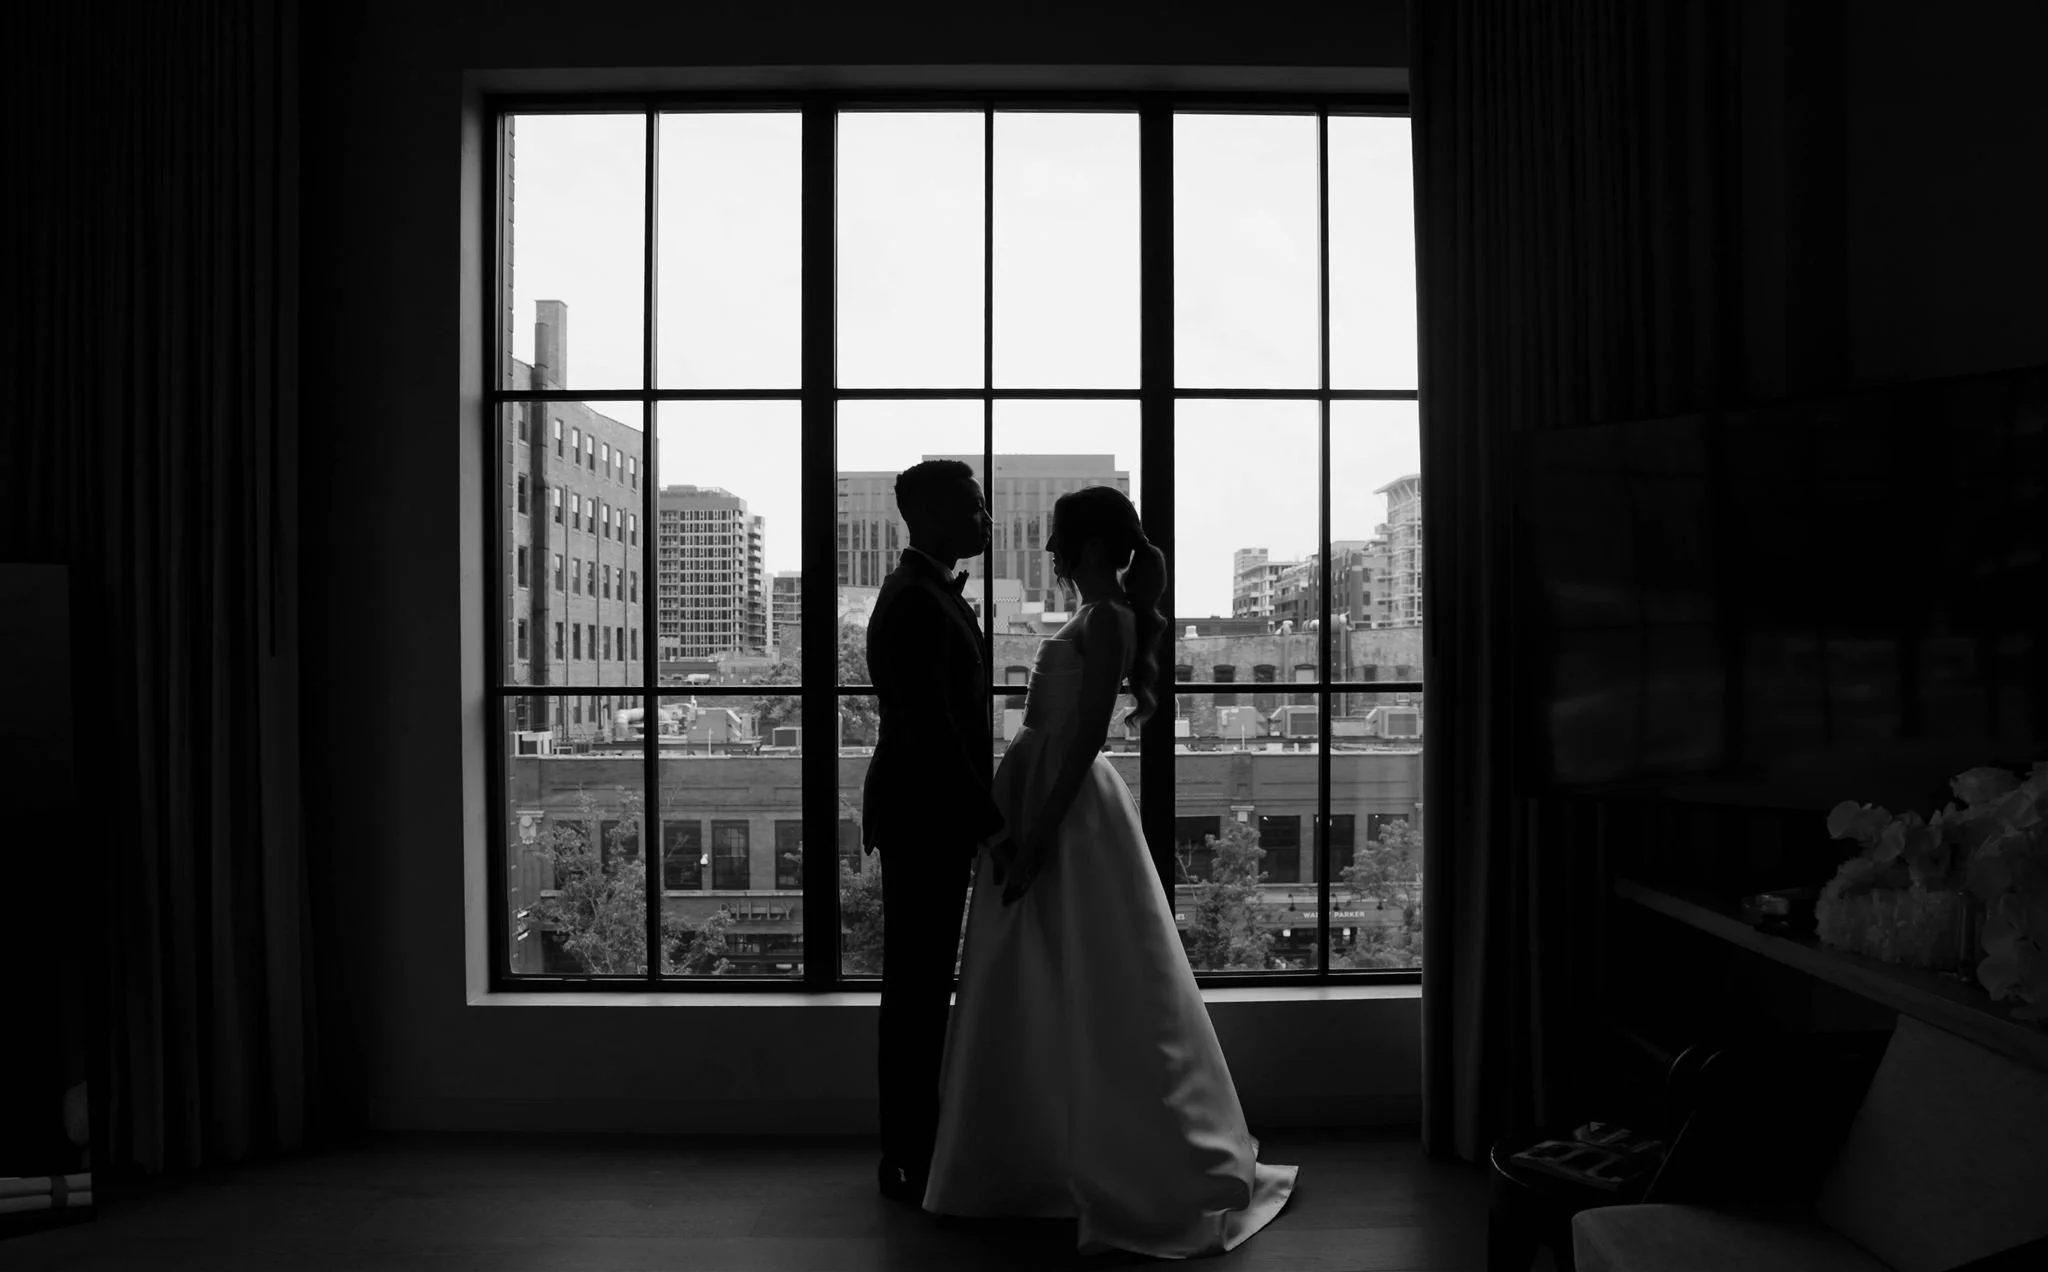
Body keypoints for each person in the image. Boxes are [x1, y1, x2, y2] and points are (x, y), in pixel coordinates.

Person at [922, 485, 1298, 1256]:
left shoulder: (1108, 620)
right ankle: (1039, 1157)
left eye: (1060, 540)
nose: (1052, 552)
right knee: (1046, 973)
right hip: (1040, 791)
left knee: (1094, 976)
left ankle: (1086, 1161)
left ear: (1090, 547)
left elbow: (1087, 735)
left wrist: (1036, 836)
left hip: (1062, 804)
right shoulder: (1095, 616)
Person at [861, 458, 1004, 1208]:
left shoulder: (923, 591)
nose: (987, 520)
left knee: (917, 991)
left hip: (930, 813)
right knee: (915, 994)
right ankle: (908, 1159)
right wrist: (989, 821)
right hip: (925, 818)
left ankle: (913, 1151)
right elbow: (931, 730)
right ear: (931, 516)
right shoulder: (916, 600)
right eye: (975, 508)